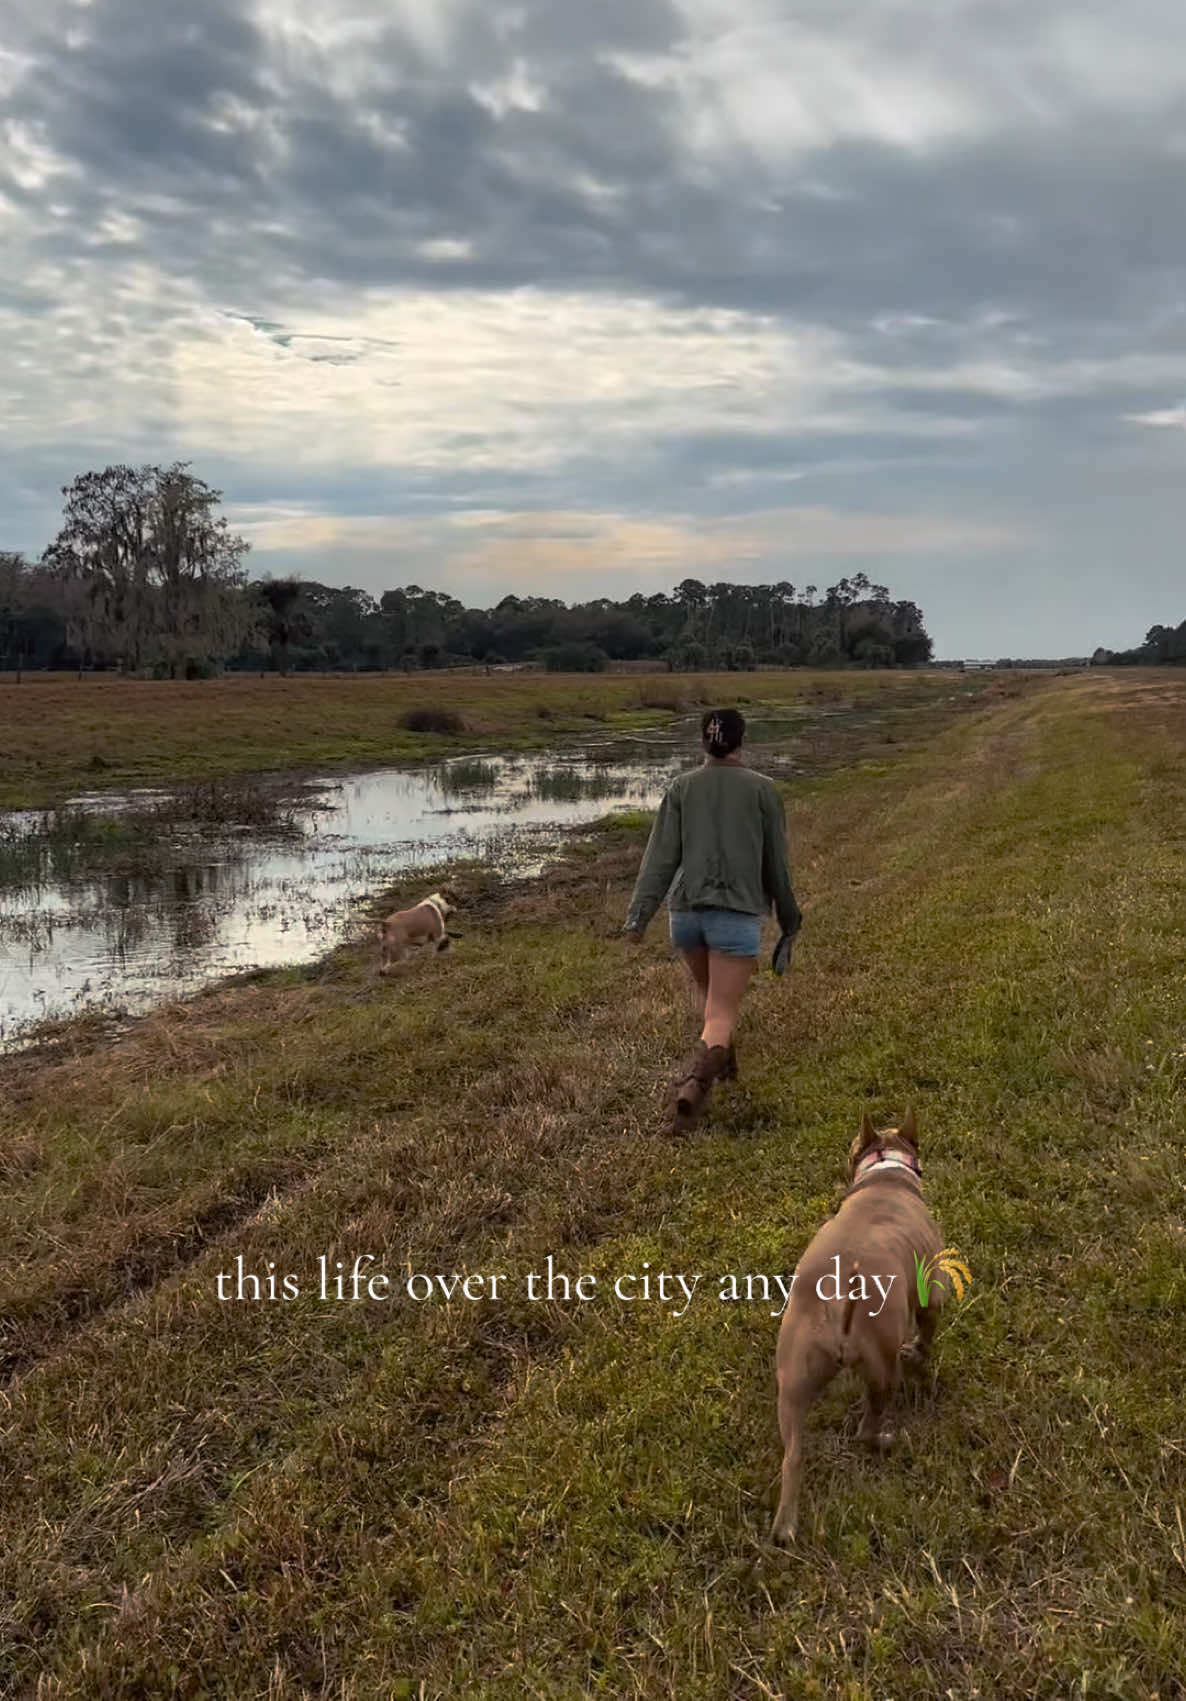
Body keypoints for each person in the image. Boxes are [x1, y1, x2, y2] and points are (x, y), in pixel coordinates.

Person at [624, 707, 802, 1133]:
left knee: (710, 997)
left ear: (703, 742)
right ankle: (692, 1087)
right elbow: (776, 865)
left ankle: (725, 1063)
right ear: (741, 742)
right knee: (721, 1009)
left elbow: (659, 860)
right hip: (734, 913)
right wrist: (789, 917)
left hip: (685, 915)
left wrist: (638, 917)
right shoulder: (763, 790)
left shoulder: (681, 787)